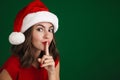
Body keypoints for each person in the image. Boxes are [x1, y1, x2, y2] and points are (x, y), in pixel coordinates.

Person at [0, 0, 60, 80]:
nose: (47, 36)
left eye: (50, 30)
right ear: (28, 34)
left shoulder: (53, 60)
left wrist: (51, 73)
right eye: (40, 29)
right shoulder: (12, 66)